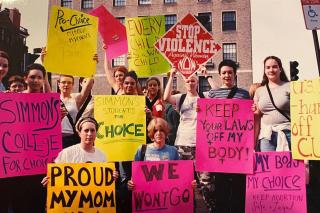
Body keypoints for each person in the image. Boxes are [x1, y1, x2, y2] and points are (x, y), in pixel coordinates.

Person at [206, 59, 250, 213]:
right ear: (219, 75)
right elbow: (208, 118)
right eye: (224, 73)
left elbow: (248, 118)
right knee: (221, 184)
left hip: (238, 147)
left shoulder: (244, 94)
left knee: (239, 184)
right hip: (220, 148)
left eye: (230, 72)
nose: (227, 75)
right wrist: (200, 110)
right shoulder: (213, 94)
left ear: (235, 74)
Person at [41, 117, 118, 186]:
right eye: (86, 130)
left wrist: (111, 177)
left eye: (92, 130)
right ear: (79, 133)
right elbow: (56, 176)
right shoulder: (67, 153)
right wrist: (49, 181)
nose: (89, 134)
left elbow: (104, 181)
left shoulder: (102, 155)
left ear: (96, 133)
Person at [127, 117, 196, 189]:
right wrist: (131, 184)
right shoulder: (142, 149)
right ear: (151, 133)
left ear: (166, 133)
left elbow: (179, 176)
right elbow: (135, 174)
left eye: (162, 130)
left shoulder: (173, 151)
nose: (158, 133)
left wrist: (189, 184)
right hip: (148, 194)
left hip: (167, 194)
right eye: (155, 130)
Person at [253, 56, 290, 151]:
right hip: (266, 135)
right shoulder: (259, 91)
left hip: (288, 133)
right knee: (267, 166)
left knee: (291, 165)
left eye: (274, 67)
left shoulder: (290, 87)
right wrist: (254, 141)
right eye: (268, 67)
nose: (271, 70)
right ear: (264, 70)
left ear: (280, 69)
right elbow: (257, 118)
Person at [59, 74, 93, 148]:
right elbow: (45, 84)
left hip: (72, 139)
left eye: (69, 83)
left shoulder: (76, 100)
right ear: (59, 84)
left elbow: (87, 87)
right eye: (63, 82)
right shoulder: (52, 99)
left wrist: (91, 70)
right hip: (56, 138)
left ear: (73, 85)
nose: (66, 85)